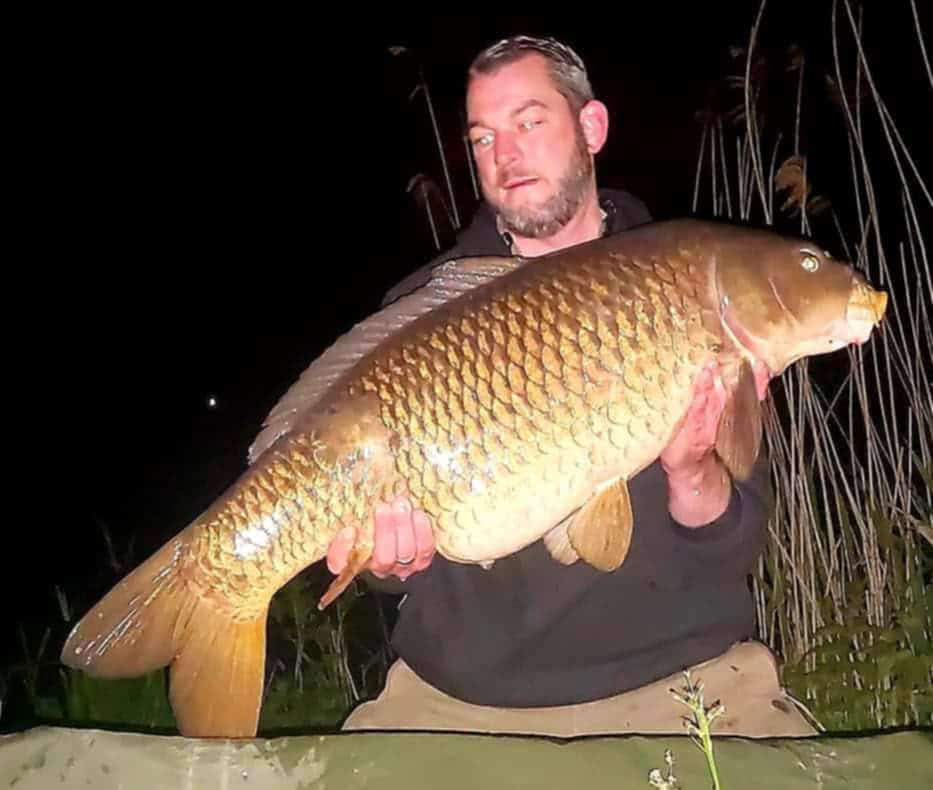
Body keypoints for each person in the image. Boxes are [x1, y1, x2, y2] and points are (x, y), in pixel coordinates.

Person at [327, 34, 820, 738]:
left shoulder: (692, 284)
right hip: (458, 705)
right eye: (482, 137)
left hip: (684, 689)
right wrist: (388, 561)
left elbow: (733, 547)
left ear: (591, 127)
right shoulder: (427, 312)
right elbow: (385, 571)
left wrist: (691, 474)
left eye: (529, 122)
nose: (505, 155)